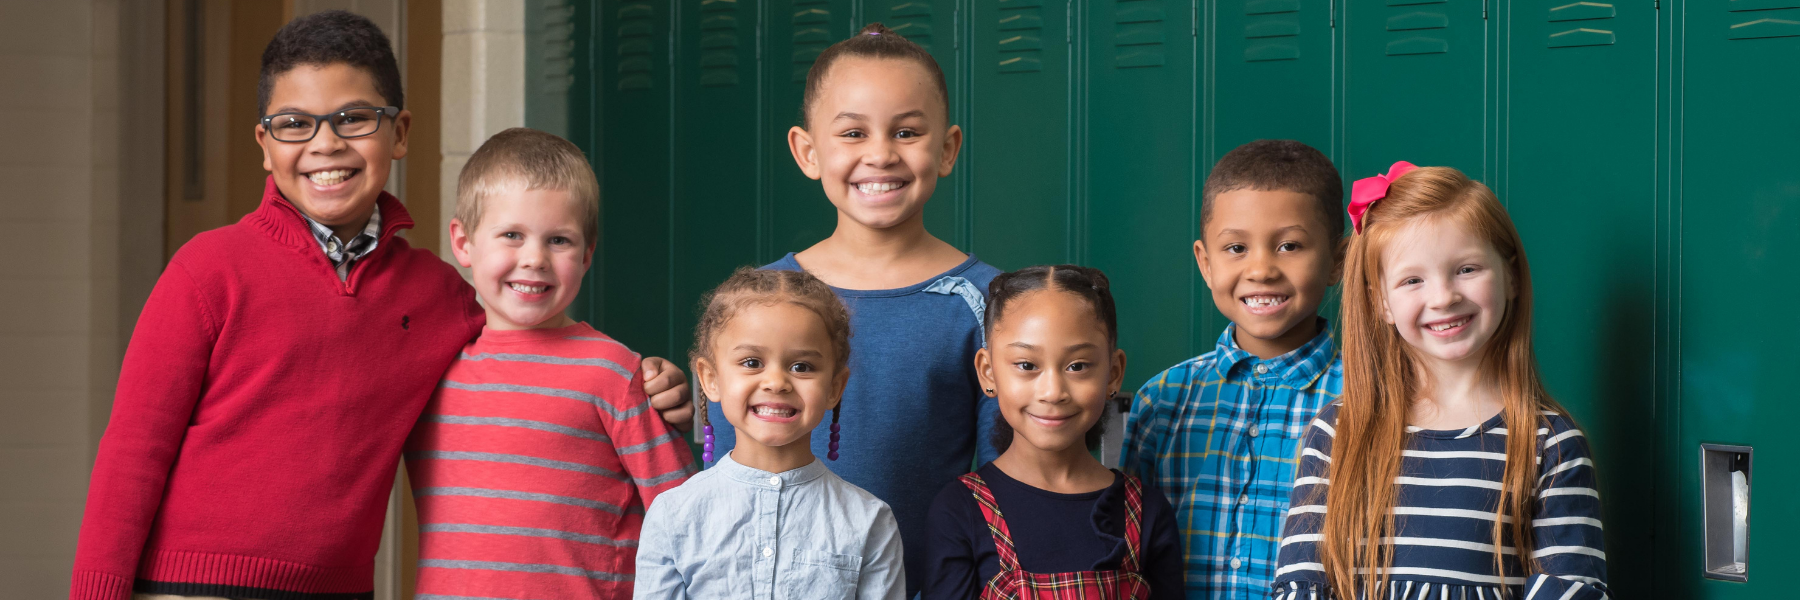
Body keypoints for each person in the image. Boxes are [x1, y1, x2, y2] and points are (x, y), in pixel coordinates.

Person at [70, 13, 690, 600]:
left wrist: (649, 383)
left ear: (400, 134)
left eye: (354, 119)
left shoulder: (439, 296)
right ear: (265, 144)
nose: (326, 143)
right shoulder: (208, 269)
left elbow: (530, 334)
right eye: (295, 123)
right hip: (193, 586)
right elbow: (132, 455)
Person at [703, 23, 998, 594]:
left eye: (907, 131)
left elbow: (1002, 486)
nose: (881, 154)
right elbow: (722, 469)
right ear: (808, 152)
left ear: (947, 149)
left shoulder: (986, 304)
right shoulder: (756, 298)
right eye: (854, 133)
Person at [1271, 162, 1608, 599]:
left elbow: (1570, 591)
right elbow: (1302, 587)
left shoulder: (1550, 443)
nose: (1444, 297)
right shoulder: (1338, 433)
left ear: (1510, 276)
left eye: (1466, 269)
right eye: (1413, 280)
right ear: (1382, 304)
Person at [405, 128, 696, 597]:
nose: (535, 259)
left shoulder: (615, 373)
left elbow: (688, 519)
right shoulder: (430, 368)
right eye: (512, 235)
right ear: (463, 242)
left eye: (559, 240)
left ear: (587, 254)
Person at [1119, 140, 1346, 597]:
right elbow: (1126, 550)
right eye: (1237, 248)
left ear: (1338, 260)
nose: (1261, 269)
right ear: (1205, 262)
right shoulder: (1163, 400)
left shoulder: (1371, 396)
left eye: (1289, 245)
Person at [637, 268, 905, 599]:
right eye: (751, 362)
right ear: (711, 379)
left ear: (835, 387)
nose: (776, 382)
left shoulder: (869, 521)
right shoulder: (673, 515)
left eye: (802, 367)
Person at [924, 265, 1183, 599]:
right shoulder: (959, 510)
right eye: (1027, 365)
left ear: (1114, 373)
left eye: (1077, 366)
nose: (1052, 391)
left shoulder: (1147, 511)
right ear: (988, 373)